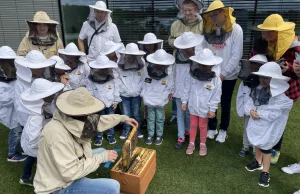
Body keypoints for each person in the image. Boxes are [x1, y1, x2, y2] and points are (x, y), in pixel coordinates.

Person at [33, 87, 138, 194]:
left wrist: (122, 118)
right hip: (58, 186)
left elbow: (99, 121)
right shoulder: (56, 135)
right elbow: (70, 172)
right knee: (112, 187)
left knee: (101, 150)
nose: (90, 115)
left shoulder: (71, 117)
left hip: (68, 167)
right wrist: (102, 157)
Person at [252, 14, 300, 164]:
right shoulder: (268, 43)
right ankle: (263, 147)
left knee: (279, 121)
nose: (264, 34)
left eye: (268, 31)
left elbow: (297, 74)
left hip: (287, 91)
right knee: (267, 117)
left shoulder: (295, 47)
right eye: (264, 31)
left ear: (277, 32)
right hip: (271, 87)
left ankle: (275, 149)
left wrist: (289, 68)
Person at [244, 62, 293, 187]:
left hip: (268, 127)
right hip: (257, 124)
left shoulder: (280, 97)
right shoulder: (258, 90)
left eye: (266, 77)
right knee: (257, 142)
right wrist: (250, 111)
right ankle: (257, 161)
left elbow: (275, 113)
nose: (262, 80)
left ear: (275, 79)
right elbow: (250, 102)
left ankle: (265, 172)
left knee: (266, 148)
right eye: (261, 77)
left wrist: (259, 113)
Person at [201, 0, 243, 143]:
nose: (213, 18)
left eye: (215, 14)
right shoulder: (209, 30)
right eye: (210, 15)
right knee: (211, 101)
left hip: (229, 75)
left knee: (225, 102)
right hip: (212, 74)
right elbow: (204, 50)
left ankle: (223, 129)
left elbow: (236, 55)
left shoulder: (236, 29)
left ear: (224, 13)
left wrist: (223, 74)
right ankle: (212, 128)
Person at [19, 78, 64, 186]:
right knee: (42, 163)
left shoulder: (42, 105)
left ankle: (24, 177)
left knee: (31, 157)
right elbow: (33, 138)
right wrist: (43, 149)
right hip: (35, 144)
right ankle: (37, 182)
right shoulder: (36, 117)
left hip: (34, 141)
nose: (53, 95)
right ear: (43, 96)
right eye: (51, 93)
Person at [168, 0, 204, 125]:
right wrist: (179, 43)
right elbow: (170, 40)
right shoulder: (176, 24)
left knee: (191, 86)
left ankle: (192, 114)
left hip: (195, 61)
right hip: (179, 60)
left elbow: (204, 43)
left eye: (190, 10)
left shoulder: (202, 24)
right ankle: (176, 114)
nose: (187, 12)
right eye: (185, 10)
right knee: (177, 85)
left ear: (196, 9)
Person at [182, 48, 222, 155]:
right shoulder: (192, 76)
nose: (203, 67)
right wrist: (184, 102)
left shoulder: (215, 79)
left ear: (211, 65)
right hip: (193, 106)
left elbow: (216, 95)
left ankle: (202, 143)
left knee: (203, 126)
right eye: (201, 64)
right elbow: (186, 89)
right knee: (193, 125)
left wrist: (213, 109)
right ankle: (191, 143)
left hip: (205, 108)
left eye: (206, 65)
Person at [173, 32, 203, 149]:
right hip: (179, 91)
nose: (185, 51)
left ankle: (189, 131)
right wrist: (172, 89)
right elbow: (174, 74)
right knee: (180, 114)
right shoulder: (178, 57)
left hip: (192, 91)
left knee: (190, 114)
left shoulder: (199, 56)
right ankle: (181, 136)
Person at [14, 50, 56, 127]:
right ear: (32, 68)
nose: (44, 69)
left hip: (44, 118)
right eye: (41, 67)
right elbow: (21, 108)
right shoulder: (20, 84)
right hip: (31, 122)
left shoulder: (41, 77)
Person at [141, 49, 175, 145]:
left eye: (161, 64)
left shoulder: (169, 73)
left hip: (161, 100)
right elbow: (144, 84)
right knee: (150, 118)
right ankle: (150, 135)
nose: (159, 65)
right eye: (157, 63)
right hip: (150, 99)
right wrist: (145, 95)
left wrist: (169, 93)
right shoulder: (148, 71)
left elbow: (170, 85)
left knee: (160, 118)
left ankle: (159, 135)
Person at [236, 54, 267, 157]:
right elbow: (240, 97)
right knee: (246, 128)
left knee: (257, 131)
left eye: (256, 68)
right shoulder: (245, 82)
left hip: (259, 114)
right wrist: (241, 111)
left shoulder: (265, 84)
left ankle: (255, 151)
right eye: (252, 67)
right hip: (247, 111)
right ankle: (245, 146)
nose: (253, 70)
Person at [0, 46, 27, 162]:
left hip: (17, 109)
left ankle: (24, 147)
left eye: (11, 61)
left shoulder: (13, 75)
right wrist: (18, 95)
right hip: (9, 111)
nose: (10, 65)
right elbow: (3, 99)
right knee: (15, 131)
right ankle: (12, 154)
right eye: (7, 62)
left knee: (20, 128)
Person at [87, 55, 121, 146]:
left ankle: (110, 135)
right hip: (97, 105)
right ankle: (99, 136)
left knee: (110, 120)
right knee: (98, 121)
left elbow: (116, 89)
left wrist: (116, 101)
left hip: (110, 103)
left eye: (105, 68)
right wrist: (92, 103)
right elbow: (89, 91)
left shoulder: (112, 77)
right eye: (101, 69)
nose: (104, 70)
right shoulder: (91, 79)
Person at [117, 43, 146, 139]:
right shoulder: (120, 64)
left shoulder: (142, 63)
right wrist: (123, 90)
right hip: (124, 95)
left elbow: (143, 79)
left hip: (136, 95)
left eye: (134, 55)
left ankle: (137, 130)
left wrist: (139, 90)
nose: (132, 57)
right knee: (126, 114)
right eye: (130, 55)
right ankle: (126, 130)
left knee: (136, 113)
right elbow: (118, 79)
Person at [138, 32, 163, 128]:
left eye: (150, 44)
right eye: (147, 45)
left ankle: (159, 119)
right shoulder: (142, 54)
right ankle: (147, 119)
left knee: (158, 97)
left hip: (158, 75)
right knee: (147, 97)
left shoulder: (159, 53)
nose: (149, 46)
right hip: (146, 75)